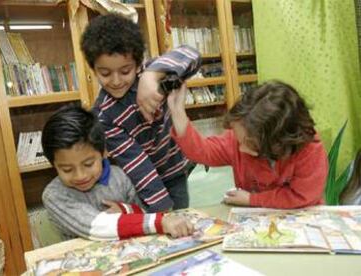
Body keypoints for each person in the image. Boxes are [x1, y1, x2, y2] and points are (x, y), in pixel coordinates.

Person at [80, 14, 201, 212]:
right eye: (105, 73)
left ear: (137, 64)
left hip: (177, 168)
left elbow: (192, 55)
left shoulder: (153, 72)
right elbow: (138, 167)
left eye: (125, 71)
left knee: (182, 215)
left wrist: (151, 75)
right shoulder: (104, 116)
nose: (116, 81)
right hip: (145, 183)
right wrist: (165, 213)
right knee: (163, 222)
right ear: (93, 69)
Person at [167, 80, 328, 209]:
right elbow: (204, 151)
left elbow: (301, 197)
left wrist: (252, 199)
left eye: (246, 143)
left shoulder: (309, 149)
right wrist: (178, 113)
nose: (239, 148)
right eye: (238, 139)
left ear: (277, 143)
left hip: (302, 218)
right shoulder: (238, 138)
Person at [41, 105, 194, 240]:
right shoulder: (54, 195)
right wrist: (159, 222)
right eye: (67, 169)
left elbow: (144, 212)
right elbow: (96, 226)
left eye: (88, 164)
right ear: (53, 164)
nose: (80, 175)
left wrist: (125, 210)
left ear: (104, 152)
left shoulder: (121, 177)